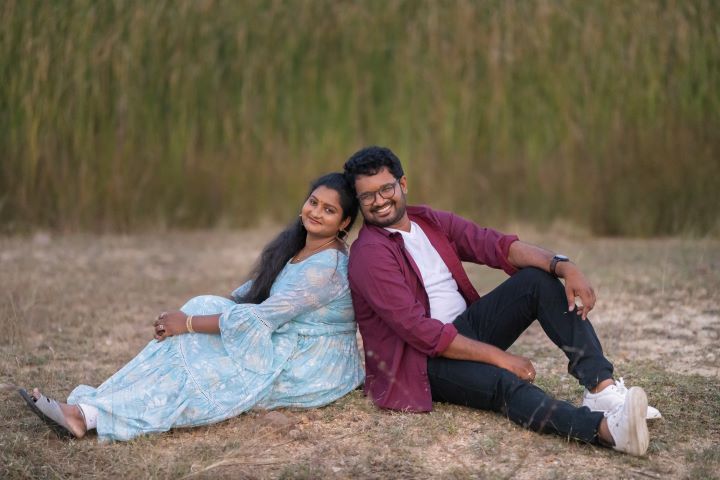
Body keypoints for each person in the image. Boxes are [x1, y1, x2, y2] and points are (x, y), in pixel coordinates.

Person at [343, 146, 660, 457]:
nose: (379, 201)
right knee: (503, 383)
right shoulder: (370, 253)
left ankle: (602, 389)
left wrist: (565, 266)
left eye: (386, 189)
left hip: (464, 331)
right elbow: (420, 332)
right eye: (367, 196)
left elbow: (495, 245)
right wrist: (499, 358)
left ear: (403, 183)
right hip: (419, 362)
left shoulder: (426, 220)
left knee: (536, 280)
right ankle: (608, 431)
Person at [19, 173, 364, 442]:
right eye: (313, 202)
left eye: (329, 210)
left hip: (310, 362)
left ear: (345, 223)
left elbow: (261, 316)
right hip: (281, 336)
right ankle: (88, 407)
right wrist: (195, 319)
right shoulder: (300, 245)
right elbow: (249, 296)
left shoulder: (326, 269)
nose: (316, 212)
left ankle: (88, 417)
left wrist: (188, 324)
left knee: (205, 361)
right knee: (202, 312)